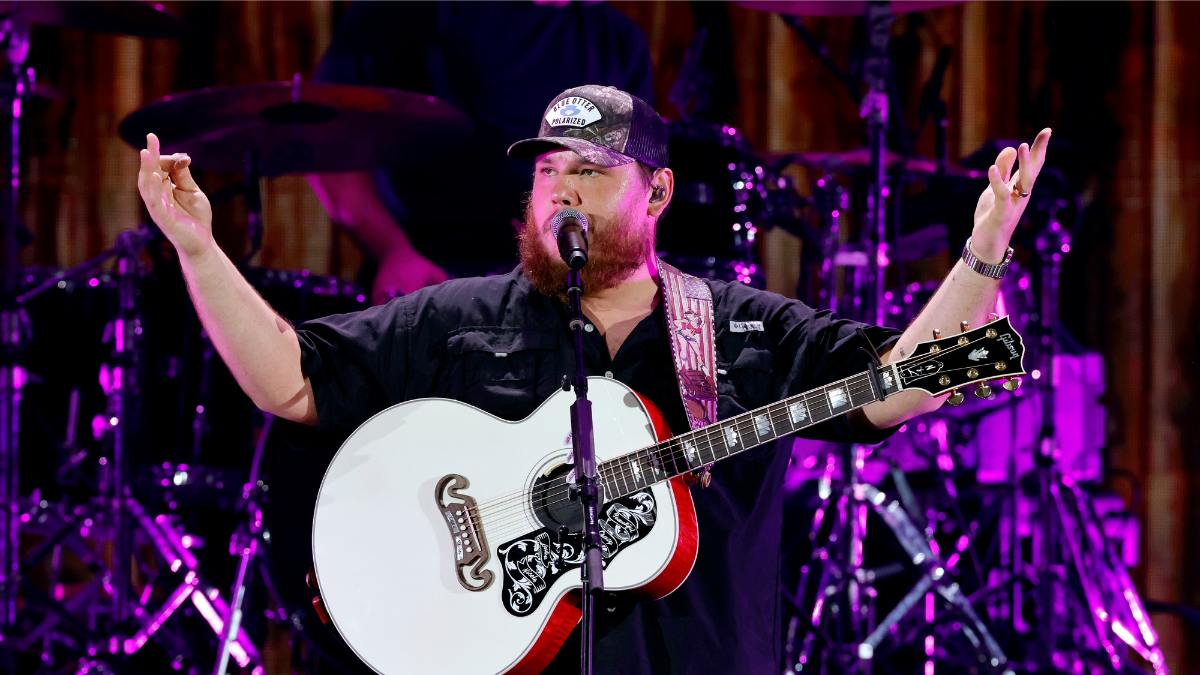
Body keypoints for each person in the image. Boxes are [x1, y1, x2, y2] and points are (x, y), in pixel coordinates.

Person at [136, 84, 1051, 675]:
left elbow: (899, 384)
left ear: (657, 193)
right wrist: (199, 250)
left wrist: (982, 253)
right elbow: (291, 381)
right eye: (546, 171)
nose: (560, 191)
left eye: (588, 170)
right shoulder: (456, 318)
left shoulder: (742, 326)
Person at [306, 2, 655, 304]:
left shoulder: (618, 39)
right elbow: (326, 143)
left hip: (560, 290)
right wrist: (393, 251)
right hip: (427, 280)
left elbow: (634, 184)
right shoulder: (410, 10)